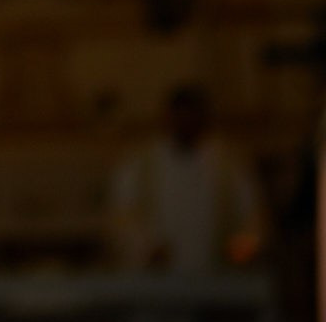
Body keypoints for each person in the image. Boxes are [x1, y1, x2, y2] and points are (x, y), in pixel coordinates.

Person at [110, 84, 264, 273]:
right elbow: (122, 216)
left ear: (204, 118)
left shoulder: (228, 167)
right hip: (156, 279)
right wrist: (146, 249)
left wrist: (240, 248)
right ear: (168, 117)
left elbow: (252, 218)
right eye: (181, 117)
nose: (186, 123)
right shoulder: (140, 165)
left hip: (215, 277)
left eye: (193, 117)